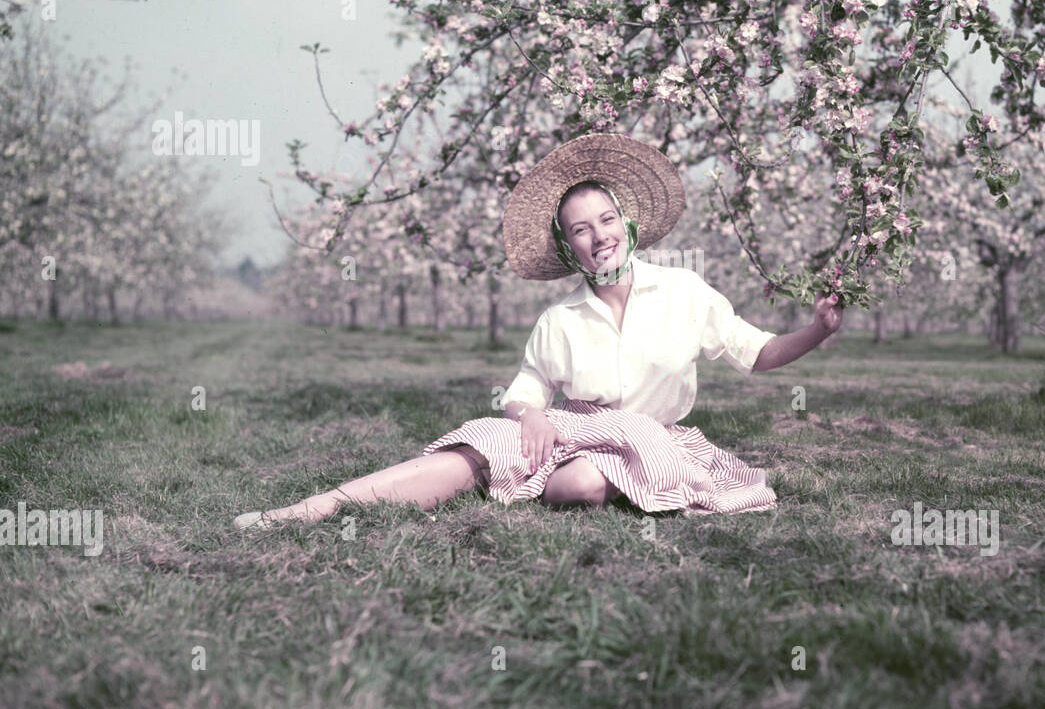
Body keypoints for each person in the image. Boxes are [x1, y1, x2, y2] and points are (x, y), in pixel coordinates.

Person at [234, 133, 841, 529]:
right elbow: (526, 388)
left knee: (574, 485)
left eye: (607, 220)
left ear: (628, 226)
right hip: (574, 432)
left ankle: (576, 486)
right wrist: (531, 416)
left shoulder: (684, 291)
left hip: (654, 439)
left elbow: (757, 353)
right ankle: (310, 509)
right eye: (581, 229)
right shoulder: (561, 319)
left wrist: (816, 329)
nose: (599, 235)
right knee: (477, 446)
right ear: (567, 245)